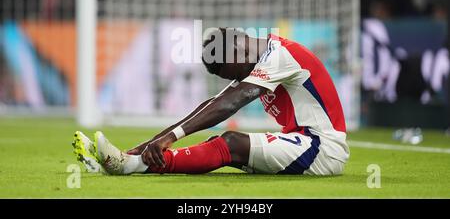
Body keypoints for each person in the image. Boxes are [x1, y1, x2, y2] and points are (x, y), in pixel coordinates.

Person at [73, 28, 349, 175]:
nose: (240, 78)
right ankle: (129, 160)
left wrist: (170, 138)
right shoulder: (251, 60)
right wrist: (146, 144)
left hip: (321, 150)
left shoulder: (281, 56)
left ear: (240, 47)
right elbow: (211, 104)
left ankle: (131, 167)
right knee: (217, 146)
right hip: (301, 143)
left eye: (238, 73)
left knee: (230, 143)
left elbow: (231, 103)